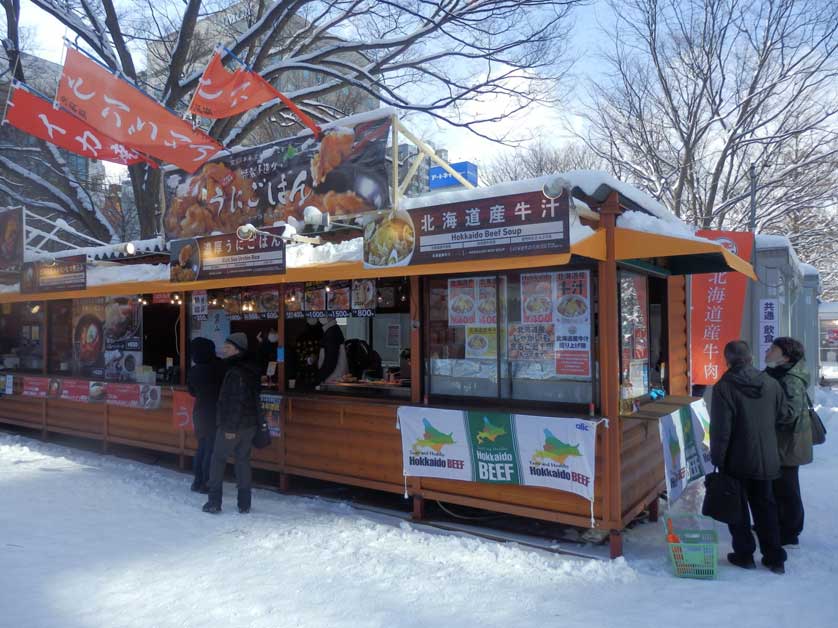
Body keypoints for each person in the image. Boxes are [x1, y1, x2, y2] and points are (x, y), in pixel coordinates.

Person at [710, 340, 787, 574]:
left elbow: (721, 430)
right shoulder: (771, 383)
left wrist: (718, 459)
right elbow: (783, 415)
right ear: (751, 357)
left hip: (737, 458)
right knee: (766, 506)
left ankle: (744, 555)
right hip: (767, 456)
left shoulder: (724, 387)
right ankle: (775, 558)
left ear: (727, 360)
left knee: (738, 509)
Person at [203, 332, 261, 514]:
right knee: (243, 461)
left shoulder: (235, 372)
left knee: (218, 459)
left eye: (228, 347)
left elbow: (235, 402)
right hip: (250, 425)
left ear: (237, 350)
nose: (224, 350)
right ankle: (244, 503)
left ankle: (214, 502)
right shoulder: (250, 369)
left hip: (234, 425)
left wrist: (229, 428)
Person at [764, 337, 812, 548]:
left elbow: (789, 413)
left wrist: (762, 415)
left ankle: (790, 531)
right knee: (778, 486)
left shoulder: (790, 379)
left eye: (773, 349)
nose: (768, 350)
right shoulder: (777, 373)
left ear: (785, 356)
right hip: (781, 441)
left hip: (788, 443)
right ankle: (777, 524)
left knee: (787, 487)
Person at [187, 337, 224, 493]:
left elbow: (192, 392)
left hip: (199, 411)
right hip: (214, 411)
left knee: (202, 447)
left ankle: (197, 481)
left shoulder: (195, 369)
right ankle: (206, 483)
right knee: (211, 449)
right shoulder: (217, 367)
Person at [317, 316, 348, 384]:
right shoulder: (333, 330)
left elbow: (330, 362)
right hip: (336, 378)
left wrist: (320, 377)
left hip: (333, 380)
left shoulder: (331, 333)